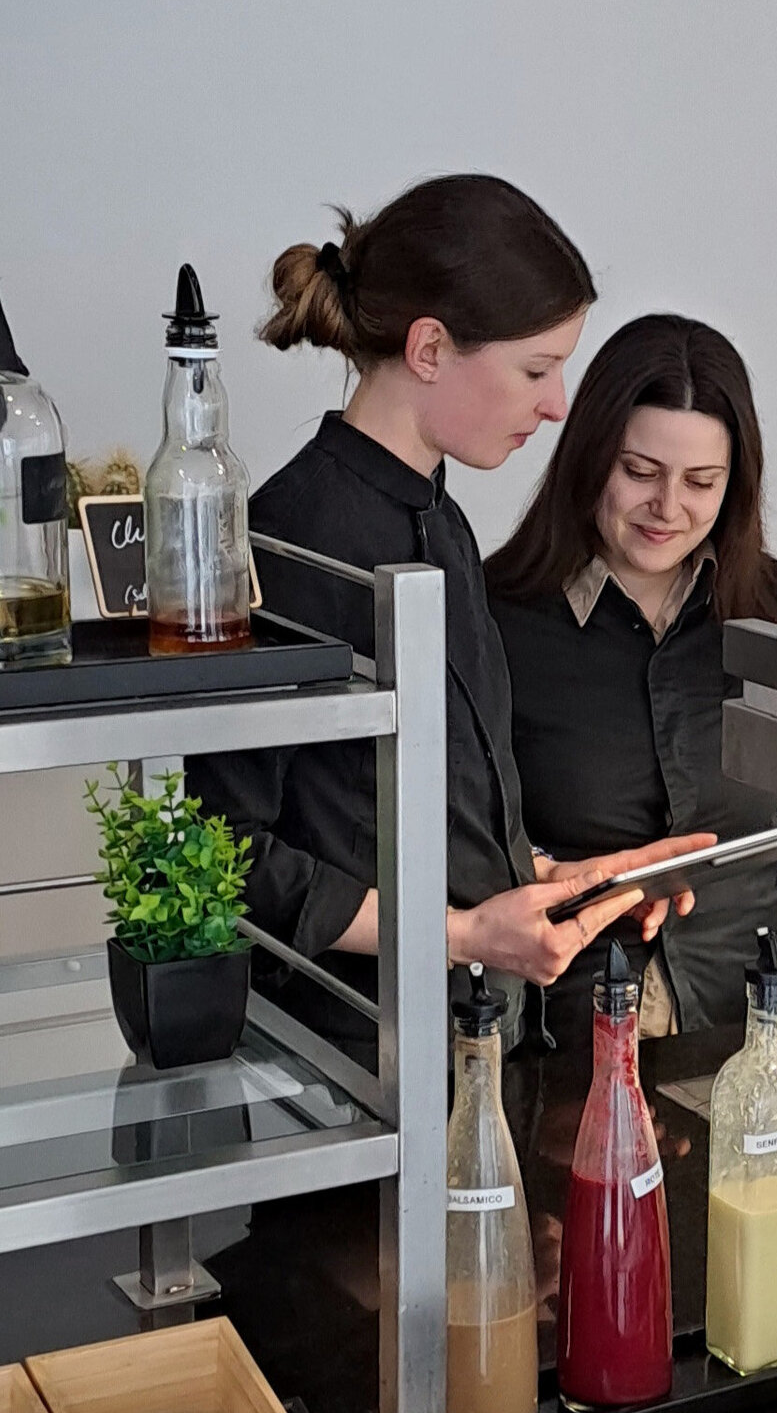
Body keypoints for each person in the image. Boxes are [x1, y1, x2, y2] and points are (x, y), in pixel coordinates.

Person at [186, 177, 707, 1057]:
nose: (558, 403)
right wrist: (465, 936)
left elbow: (423, 806)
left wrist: (557, 879)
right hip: (347, 1064)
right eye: (536, 369)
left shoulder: (444, 520)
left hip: (465, 1049)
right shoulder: (292, 538)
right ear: (429, 347)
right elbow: (224, 851)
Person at [486, 314, 777, 1038]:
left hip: (746, 1015)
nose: (668, 507)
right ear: (590, 458)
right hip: (560, 1024)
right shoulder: (497, 617)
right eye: (639, 472)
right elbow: (462, 835)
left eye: (701, 482)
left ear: (735, 484)